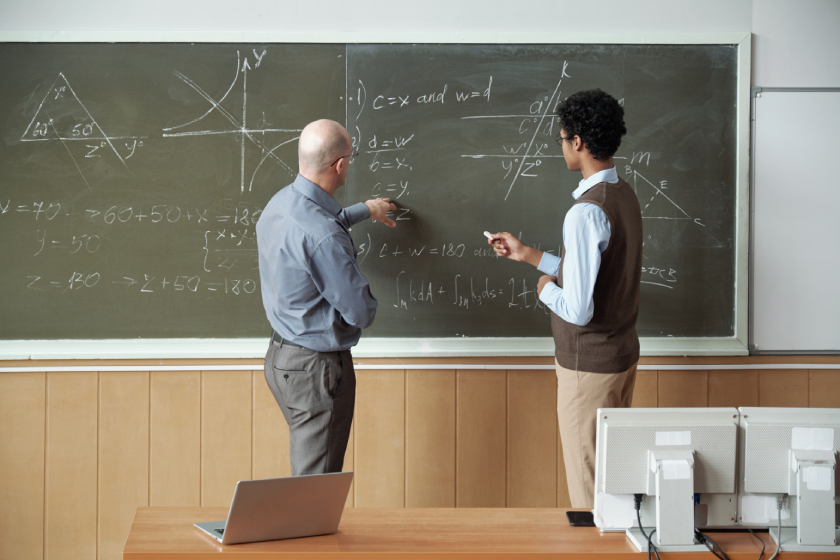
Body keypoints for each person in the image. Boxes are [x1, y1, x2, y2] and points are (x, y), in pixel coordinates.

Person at [488, 90, 642, 508]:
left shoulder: (585, 213)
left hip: (588, 369)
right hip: (621, 358)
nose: (561, 146)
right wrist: (527, 255)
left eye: (561, 138)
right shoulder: (623, 194)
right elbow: (593, 274)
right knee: (613, 482)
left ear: (578, 142)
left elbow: (578, 307)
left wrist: (545, 289)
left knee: (589, 492)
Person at [256, 119, 396, 476]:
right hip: (315, 371)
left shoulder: (279, 204)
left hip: (281, 358)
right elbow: (361, 312)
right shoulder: (324, 237)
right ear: (340, 165)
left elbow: (319, 223)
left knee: (311, 473)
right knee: (314, 486)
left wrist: (366, 209)